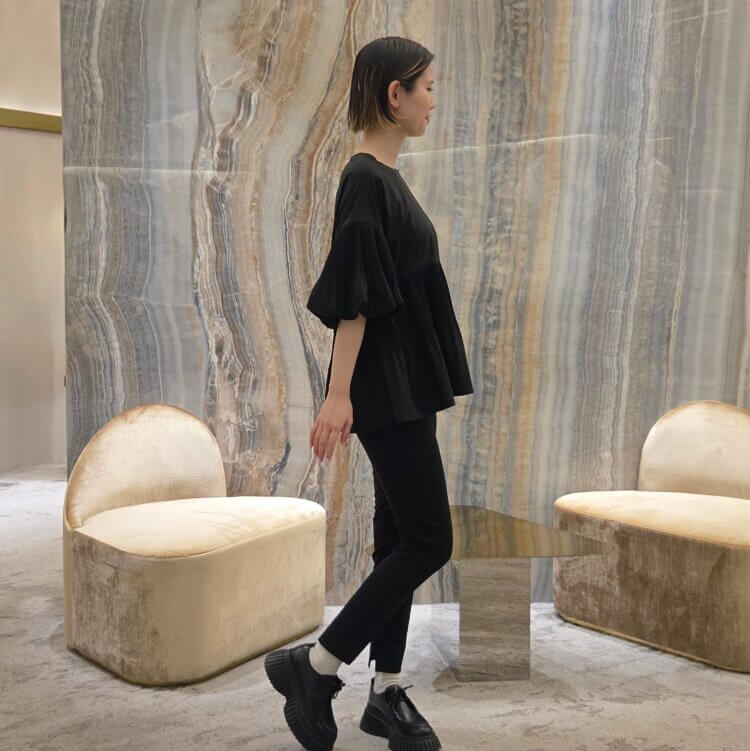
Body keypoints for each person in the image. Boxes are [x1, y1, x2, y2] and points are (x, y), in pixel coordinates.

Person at [264, 35, 473, 751]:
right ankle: (317, 665)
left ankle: (385, 693)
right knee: (430, 540)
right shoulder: (365, 180)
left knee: (398, 541)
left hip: (405, 387)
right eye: (428, 87)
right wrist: (338, 394)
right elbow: (354, 301)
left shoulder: (385, 178)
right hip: (386, 390)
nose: (433, 102)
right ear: (395, 93)